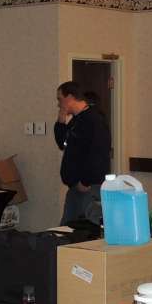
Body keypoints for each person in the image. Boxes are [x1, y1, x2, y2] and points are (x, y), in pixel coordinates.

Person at [54, 81, 111, 225]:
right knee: (66, 228)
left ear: (70, 97)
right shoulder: (76, 120)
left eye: (60, 99)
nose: (59, 104)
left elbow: (98, 154)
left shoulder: (94, 119)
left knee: (87, 228)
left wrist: (85, 181)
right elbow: (62, 142)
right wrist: (61, 119)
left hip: (88, 187)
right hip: (75, 186)